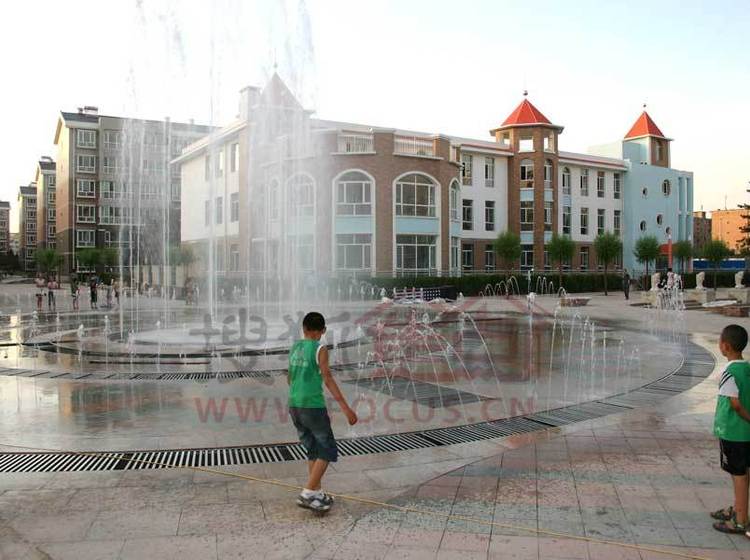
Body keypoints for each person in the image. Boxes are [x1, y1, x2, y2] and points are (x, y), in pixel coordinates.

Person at [288, 312, 358, 513]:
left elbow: (290, 378)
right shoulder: (320, 348)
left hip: (294, 405)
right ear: (323, 331)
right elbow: (327, 378)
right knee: (327, 450)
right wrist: (346, 409)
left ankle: (316, 494)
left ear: (304, 329)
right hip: (312, 406)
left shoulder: (295, 347)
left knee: (313, 450)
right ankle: (308, 492)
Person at [711, 324, 750, 534]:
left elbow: (735, 404)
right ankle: (738, 508)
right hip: (746, 434)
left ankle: (740, 520)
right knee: (744, 472)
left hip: (733, 433)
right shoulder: (747, 368)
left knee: (738, 475)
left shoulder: (728, 372)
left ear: (725, 346)